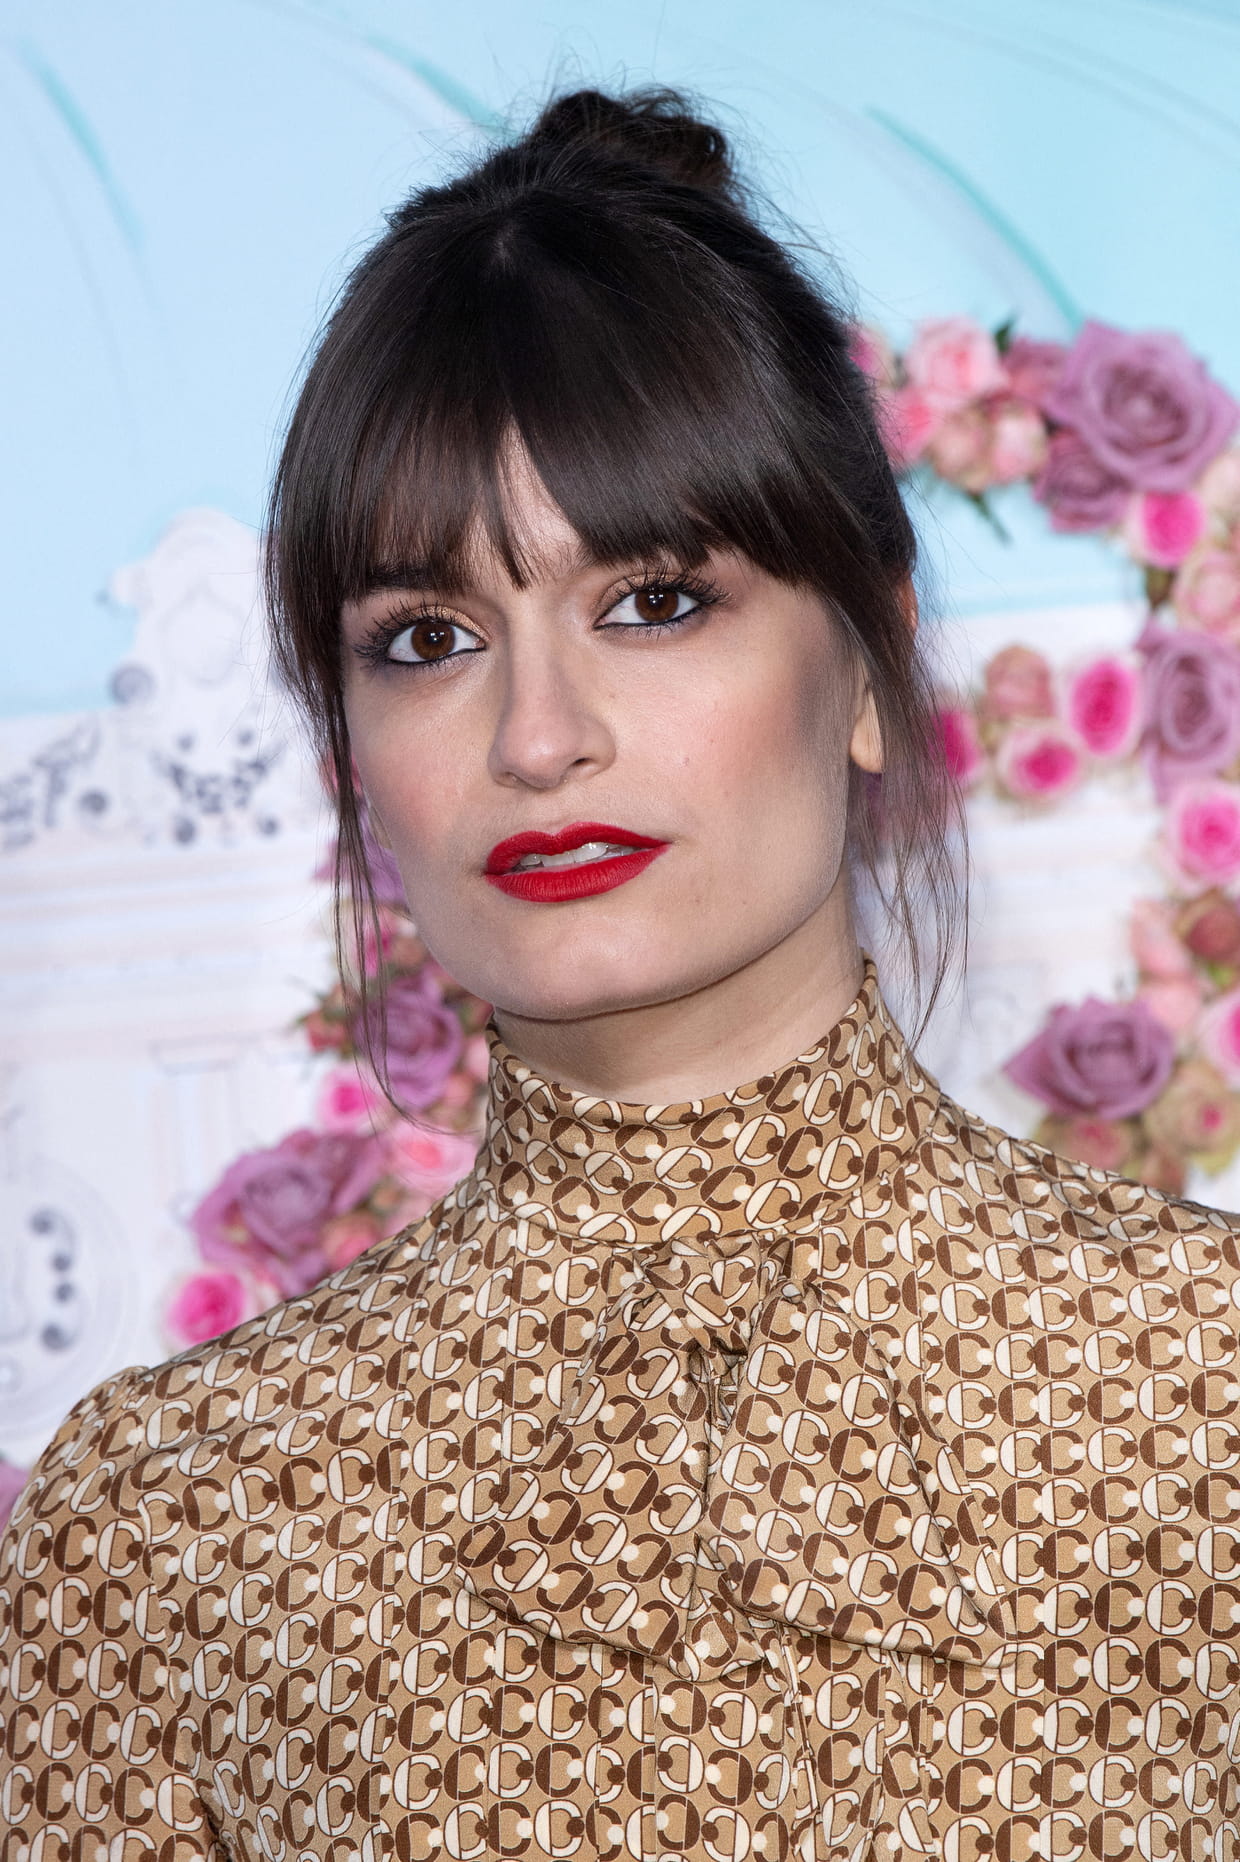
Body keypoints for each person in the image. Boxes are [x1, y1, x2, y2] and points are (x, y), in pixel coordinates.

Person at [2, 86, 1238, 1862]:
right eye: (428, 637)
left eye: (654, 600)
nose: (538, 734)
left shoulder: (1204, 1395)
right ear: (346, 740)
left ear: (871, 659)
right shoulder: (170, 1532)